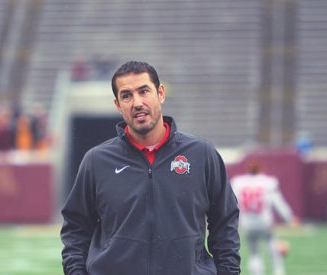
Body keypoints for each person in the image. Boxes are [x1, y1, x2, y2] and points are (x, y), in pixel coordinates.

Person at [61, 61, 240, 275]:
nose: (137, 102)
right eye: (126, 96)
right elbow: (76, 228)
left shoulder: (201, 154)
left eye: (144, 91)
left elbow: (225, 222)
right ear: (118, 105)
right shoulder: (96, 161)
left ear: (160, 93)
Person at [230, 160, 297, 275]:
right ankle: (278, 271)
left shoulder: (239, 182)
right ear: (261, 170)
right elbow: (278, 202)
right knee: (273, 246)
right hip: (264, 221)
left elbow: (232, 202)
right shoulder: (267, 182)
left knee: (254, 253)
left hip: (247, 223)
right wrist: (289, 218)